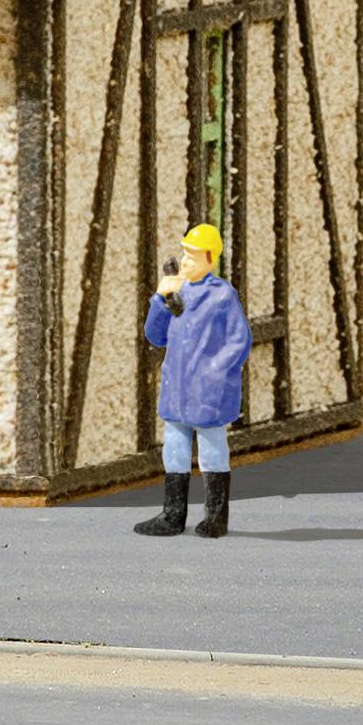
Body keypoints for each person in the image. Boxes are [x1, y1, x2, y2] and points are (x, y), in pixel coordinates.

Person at [136, 222, 250, 539]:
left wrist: (215, 371)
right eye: (185, 255)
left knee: (212, 449)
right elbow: (155, 336)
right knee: (174, 449)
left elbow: (238, 341)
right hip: (177, 390)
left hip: (207, 392)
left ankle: (216, 518)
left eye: (194, 256)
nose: (186, 262)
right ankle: (172, 516)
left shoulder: (223, 296)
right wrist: (160, 299)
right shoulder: (178, 293)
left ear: (210, 259)